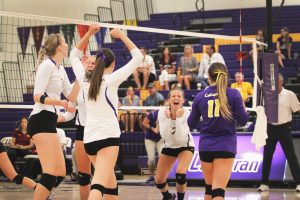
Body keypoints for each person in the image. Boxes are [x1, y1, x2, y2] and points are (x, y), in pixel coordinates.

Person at [70, 24, 143, 200]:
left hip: (89, 141)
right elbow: (138, 56)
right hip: (107, 139)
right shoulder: (112, 80)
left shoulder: (84, 79)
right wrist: (121, 35)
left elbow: (73, 55)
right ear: (113, 64)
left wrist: (89, 33)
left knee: (111, 184)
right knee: (99, 184)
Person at [26, 33, 78, 200]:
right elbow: (37, 96)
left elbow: (71, 96)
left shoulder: (60, 68)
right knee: (50, 173)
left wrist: (82, 75)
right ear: (59, 47)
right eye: (65, 42)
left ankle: (45, 194)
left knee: (61, 172)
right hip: (40, 118)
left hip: (49, 121)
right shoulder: (47, 65)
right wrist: (59, 102)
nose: (67, 45)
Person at [188, 62, 248, 200]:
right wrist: (241, 106)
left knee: (209, 190)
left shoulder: (200, 96)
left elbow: (191, 123)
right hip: (225, 146)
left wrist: (206, 121)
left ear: (209, 77)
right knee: (218, 192)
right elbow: (243, 120)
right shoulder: (234, 94)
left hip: (205, 147)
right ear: (225, 76)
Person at [58, 54, 97, 200]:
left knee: (102, 174)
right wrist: (57, 118)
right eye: (88, 62)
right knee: (84, 175)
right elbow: (70, 112)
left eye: (94, 63)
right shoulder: (78, 84)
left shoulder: (103, 82)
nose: (91, 65)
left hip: (98, 131)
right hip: (82, 130)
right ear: (83, 65)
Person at [258, 73, 300, 192]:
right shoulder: (267, 94)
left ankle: (299, 183)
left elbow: (297, 108)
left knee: (291, 156)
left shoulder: (289, 94)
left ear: (281, 82)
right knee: (267, 156)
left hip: (284, 129)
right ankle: (264, 183)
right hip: (270, 128)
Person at [155, 88, 195, 200]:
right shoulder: (162, 112)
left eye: (179, 96)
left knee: (180, 175)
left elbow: (181, 137)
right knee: (159, 181)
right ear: (168, 100)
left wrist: (177, 118)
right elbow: (165, 136)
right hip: (169, 145)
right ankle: (168, 196)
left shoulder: (187, 113)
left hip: (185, 146)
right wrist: (168, 118)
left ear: (183, 100)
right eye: (173, 96)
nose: (176, 98)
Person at [142, 105, 163, 183]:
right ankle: (151, 175)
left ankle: (160, 175)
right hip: (150, 138)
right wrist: (153, 128)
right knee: (151, 159)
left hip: (160, 138)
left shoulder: (169, 115)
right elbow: (144, 123)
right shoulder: (153, 114)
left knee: (162, 157)